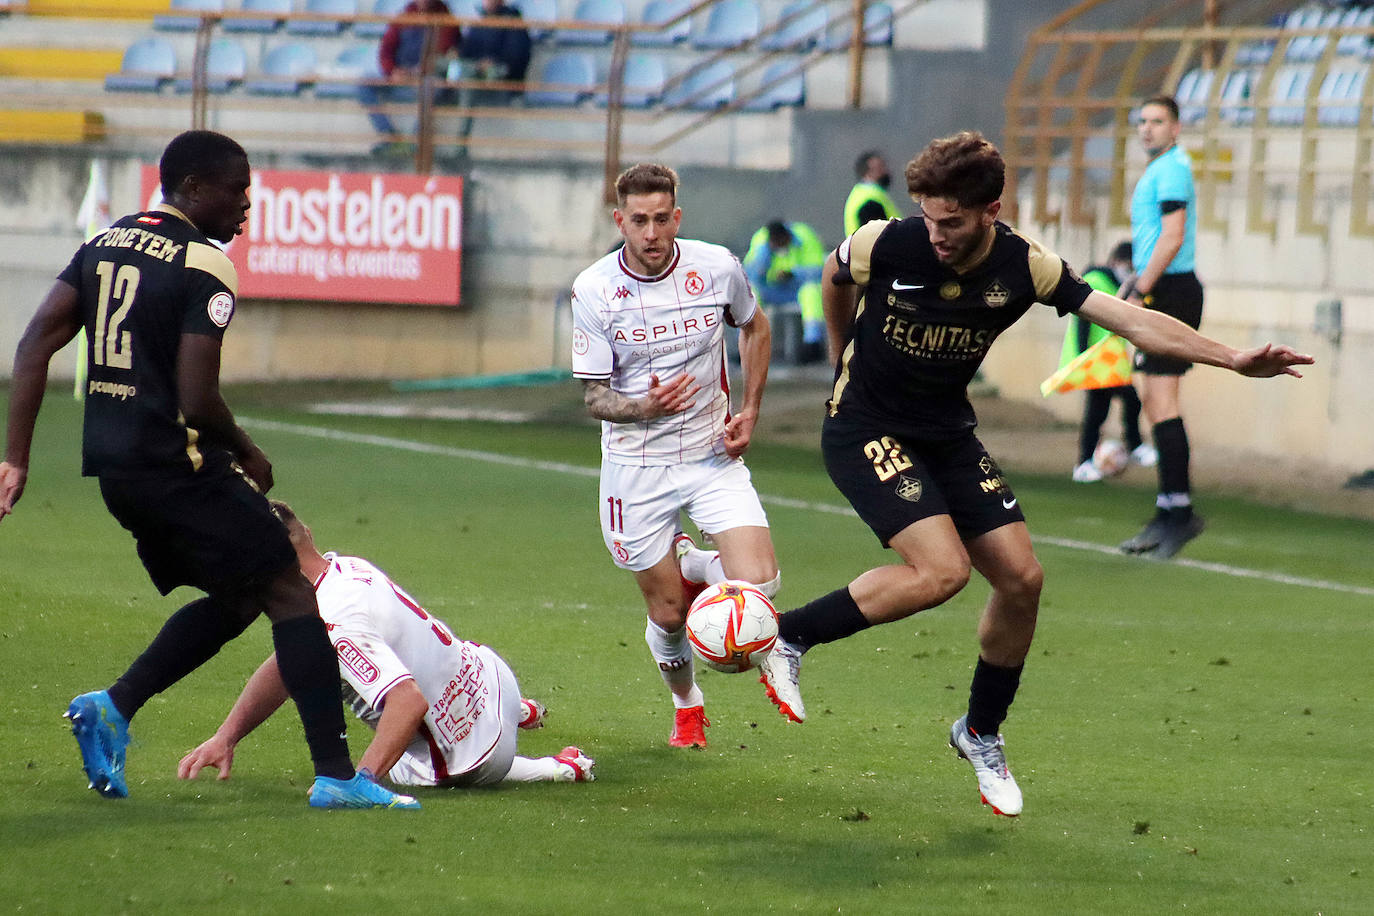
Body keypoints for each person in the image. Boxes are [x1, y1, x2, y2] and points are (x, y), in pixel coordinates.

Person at [754, 130, 1312, 817]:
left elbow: (1132, 322)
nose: (935, 235)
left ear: (991, 210)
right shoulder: (886, 241)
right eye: (928, 216)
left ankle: (980, 733)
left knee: (1022, 579)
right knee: (942, 572)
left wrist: (1232, 358)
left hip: (948, 433)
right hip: (866, 425)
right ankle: (787, 635)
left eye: (951, 221)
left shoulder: (1028, 266)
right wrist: (842, 356)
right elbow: (836, 280)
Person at [0, 130, 415, 810]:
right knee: (290, 590)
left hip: (115, 472)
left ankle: (112, 707)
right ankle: (339, 778)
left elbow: (35, 341)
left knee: (241, 595)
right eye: (237, 190)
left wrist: (15, 457)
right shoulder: (205, 264)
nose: (246, 206)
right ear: (193, 190)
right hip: (177, 465)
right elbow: (197, 397)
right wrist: (248, 451)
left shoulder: (104, 243)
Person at [570, 162, 779, 750]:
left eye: (662, 219)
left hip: (711, 453)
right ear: (621, 221)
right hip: (636, 469)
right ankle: (687, 703)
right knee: (667, 615)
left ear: (677, 217)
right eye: (639, 221)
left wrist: (752, 410)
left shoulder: (716, 267)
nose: (652, 233)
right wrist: (645, 407)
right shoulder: (593, 290)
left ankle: (694, 566)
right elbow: (593, 397)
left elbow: (755, 328)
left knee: (761, 584)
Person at [178, 502, 594, 789]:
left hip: (479, 752)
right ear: (307, 534)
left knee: (402, 767)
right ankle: (520, 709)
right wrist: (226, 736)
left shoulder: (335, 621)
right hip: (491, 676)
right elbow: (289, 661)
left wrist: (360, 782)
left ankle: (555, 769)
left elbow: (407, 705)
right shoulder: (345, 567)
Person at [1119, 95, 1207, 557]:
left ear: (1176, 129)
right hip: (1158, 287)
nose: (1147, 129)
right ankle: (1167, 509)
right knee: (1154, 402)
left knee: (1164, 400)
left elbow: (1173, 237)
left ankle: (1181, 514)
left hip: (1171, 291)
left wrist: (1139, 291)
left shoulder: (1173, 168)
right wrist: (1136, 282)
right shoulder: (1160, 169)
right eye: (1142, 121)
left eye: (1157, 121)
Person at [1066, 240, 1156, 482]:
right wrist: (1084, 356)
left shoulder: (1118, 285)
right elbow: (1083, 320)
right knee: (1128, 400)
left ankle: (1085, 463)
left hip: (1108, 360)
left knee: (1098, 411)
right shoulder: (1096, 280)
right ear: (1117, 262)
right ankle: (1134, 446)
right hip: (1097, 359)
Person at [361, 0, 461, 156]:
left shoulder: (447, 21)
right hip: (402, 78)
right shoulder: (405, 17)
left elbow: (443, 56)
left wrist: (418, 74)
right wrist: (393, 71)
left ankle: (415, 143)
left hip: (427, 80)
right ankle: (390, 137)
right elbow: (386, 50)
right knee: (365, 83)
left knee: (433, 89)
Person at [742, 220, 828, 364]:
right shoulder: (761, 241)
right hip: (771, 290)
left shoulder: (805, 236)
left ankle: (812, 344)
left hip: (796, 288)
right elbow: (749, 275)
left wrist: (793, 274)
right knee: (751, 294)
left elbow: (819, 271)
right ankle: (747, 345)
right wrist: (765, 254)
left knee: (811, 292)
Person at [452, 0, 532, 151]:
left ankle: (460, 143)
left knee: (469, 79)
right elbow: (466, 50)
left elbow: (516, 56)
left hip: (502, 77)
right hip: (476, 71)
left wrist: (492, 62)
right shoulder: (480, 22)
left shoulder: (513, 21)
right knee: (446, 66)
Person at [843, 150, 901, 237]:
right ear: (868, 172)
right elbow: (878, 237)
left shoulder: (859, 194)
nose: (886, 171)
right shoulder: (870, 200)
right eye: (880, 167)